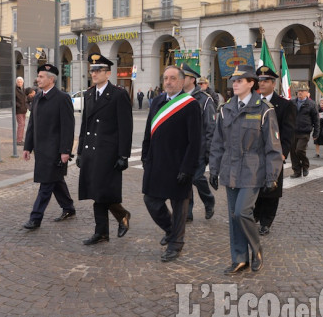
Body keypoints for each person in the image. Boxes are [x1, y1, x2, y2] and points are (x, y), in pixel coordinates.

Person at [209, 64, 282, 274]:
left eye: (240, 81)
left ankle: (256, 248)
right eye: (234, 81)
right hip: (230, 170)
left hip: (252, 170)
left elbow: (273, 147)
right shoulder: (226, 109)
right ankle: (239, 258)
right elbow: (217, 143)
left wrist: (272, 176)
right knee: (233, 216)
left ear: (252, 83)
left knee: (242, 212)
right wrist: (214, 170)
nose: (235, 84)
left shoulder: (264, 110)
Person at [141, 65, 201, 262]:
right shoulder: (157, 101)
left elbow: (195, 141)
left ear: (182, 81)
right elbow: (148, 132)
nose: (168, 82)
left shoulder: (190, 104)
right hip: (156, 162)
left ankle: (176, 243)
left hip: (179, 164)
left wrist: (188, 168)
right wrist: (145, 156)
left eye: (173, 78)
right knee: (151, 200)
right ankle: (169, 229)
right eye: (166, 78)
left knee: (179, 207)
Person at [76, 54, 133, 245]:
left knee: (102, 191)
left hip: (108, 152)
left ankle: (116, 220)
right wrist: (80, 152)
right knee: (95, 192)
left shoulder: (118, 94)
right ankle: (105, 229)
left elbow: (126, 127)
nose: (94, 73)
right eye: (92, 70)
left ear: (108, 73)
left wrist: (123, 155)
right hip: (92, 151)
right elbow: (85, 124)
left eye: (98, 70)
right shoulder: (89, 94)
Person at [22, 64, 77, 230]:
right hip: (41, 150)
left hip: (55, 151)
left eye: (41, 77)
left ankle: (35, 218)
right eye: (38, 76)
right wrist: (27, 147)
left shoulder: (62, 98)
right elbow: (32, 124)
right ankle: (68, 208)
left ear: (51, 79)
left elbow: (68, 127)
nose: (37, 79)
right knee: (56, 181)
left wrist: (65, 151)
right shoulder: (37, 97)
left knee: (46, 185)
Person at [253, 66, 296, 236]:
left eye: (265, 81)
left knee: (272, 189)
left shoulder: (285, 105)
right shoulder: (253, 102)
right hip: (255, 154)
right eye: (259, 80)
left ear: (273, 83)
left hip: (274, 154)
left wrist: (283, 153)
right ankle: (255, 215)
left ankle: (266, 221)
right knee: (255, 187)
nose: (261, 84)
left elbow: (288, 132)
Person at [180, 63, 216, 222]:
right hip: (182, 149)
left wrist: (209, 151)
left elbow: (210, 127)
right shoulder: (178, 97)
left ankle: (209, 201)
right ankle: (187, 212)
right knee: (185, 179)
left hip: (199, 148)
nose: (180, 79)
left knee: (196, 177)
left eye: (184, 77)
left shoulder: (204, 99)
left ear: (192, 79)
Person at [289, 83, 319, 178]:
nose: (300, 93)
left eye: (302, 91)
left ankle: (305, 166)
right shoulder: (292, 102)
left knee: (300, 150)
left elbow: (316, 119)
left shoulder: (311, 104)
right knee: (293, 152)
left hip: (304, 131)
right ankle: (297, 171)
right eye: (299, 91)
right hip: (293, 131)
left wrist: (316, 132)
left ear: (307, 93)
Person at [15, 77, 27, 146]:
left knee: (23, 125)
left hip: (24, 110)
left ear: (23, 83)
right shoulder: (15, 90)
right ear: (16, 83)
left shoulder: (23, 89)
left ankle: (21, 139)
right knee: (21, 125)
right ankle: (19, 140)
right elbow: (13, 100)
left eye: (21, 82)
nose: (20, 83)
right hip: (19, 110)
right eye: (18, 82)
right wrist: (18, 105)